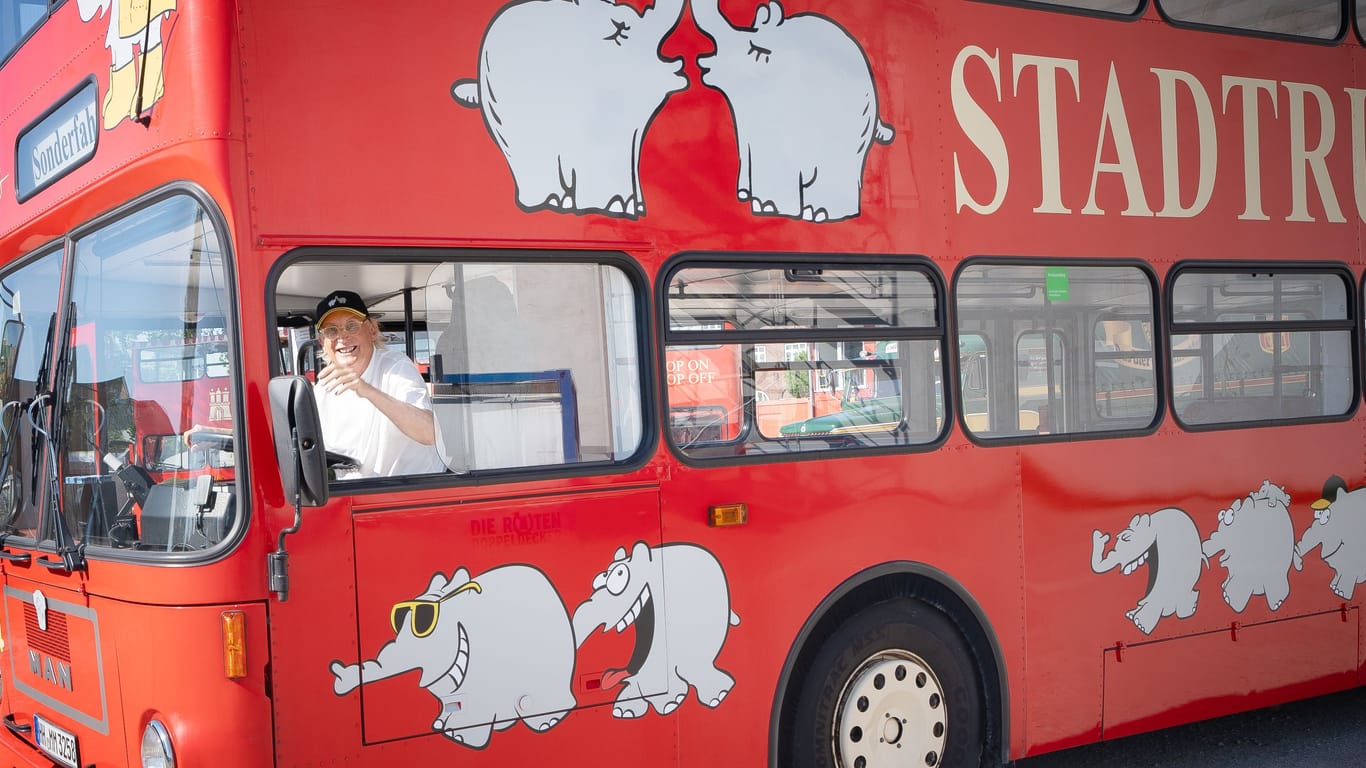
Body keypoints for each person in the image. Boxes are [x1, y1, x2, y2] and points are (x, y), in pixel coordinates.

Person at [312, 290, 445, 479]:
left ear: (372, 330)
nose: (342, 337)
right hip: (356, 499)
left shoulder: (396, 366)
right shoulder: (322, 389)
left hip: (411, 494)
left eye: (351, 326)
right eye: (331, 331)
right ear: (322, 342)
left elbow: (429, 433)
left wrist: (365, 389)